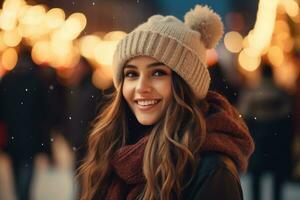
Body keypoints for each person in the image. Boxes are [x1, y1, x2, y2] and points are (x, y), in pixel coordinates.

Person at [79, 5, 254, 200]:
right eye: (131, 74)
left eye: (158, 73)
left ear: (185, 85)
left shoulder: (212, 171)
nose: (141, 87)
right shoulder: (112, 151)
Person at [238, 63, 293, 200]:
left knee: (256, 178)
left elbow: (243, 113)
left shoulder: (252, 92)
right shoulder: (280, 92)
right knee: (276, 179)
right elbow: (287, 114)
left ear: (261, 73)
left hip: (258, 140)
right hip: (276, 141)